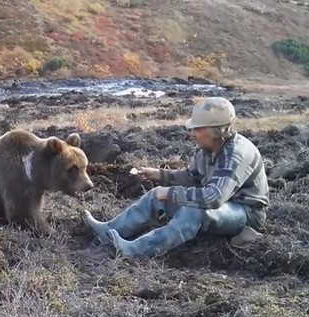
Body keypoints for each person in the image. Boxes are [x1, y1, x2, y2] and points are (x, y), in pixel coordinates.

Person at [81, 96, 269, 258]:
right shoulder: (207, 149)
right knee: (156, 195)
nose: (192, 134)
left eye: (197, 129)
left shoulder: (236, 154)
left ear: (215, 130)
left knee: (193, 210)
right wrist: (159, 175)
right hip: (222, 207)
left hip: (246, 213)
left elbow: (214, 197)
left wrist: (170, 193)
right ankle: (108, 231)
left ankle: (133, 250)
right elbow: (190, 177)